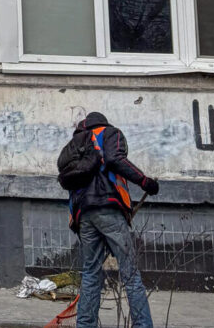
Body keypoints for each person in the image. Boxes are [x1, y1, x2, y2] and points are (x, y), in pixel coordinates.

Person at [62, 112, 160, 328]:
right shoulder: (109, 133)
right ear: (103, 123)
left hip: (83, 215)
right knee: (130, 273)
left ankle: (85, 326)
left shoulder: (76, 143)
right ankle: (143, 325)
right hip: (108, 208)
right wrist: (144, 181)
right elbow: (116, 160)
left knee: (90, 273)